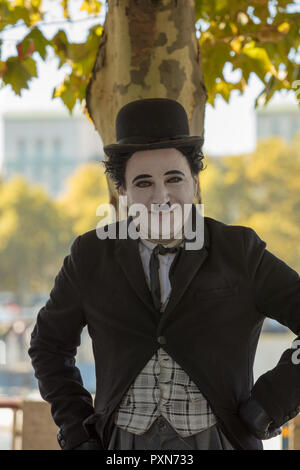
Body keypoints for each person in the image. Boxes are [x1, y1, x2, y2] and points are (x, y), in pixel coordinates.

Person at [28, 98, 300, 451]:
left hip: (221, 440)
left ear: (195, 182)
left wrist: (271, 402)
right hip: (120, 445)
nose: (161, 196)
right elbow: (48, 346)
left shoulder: (240, 250)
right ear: (122, 191)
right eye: (143, 183)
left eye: (174, 178)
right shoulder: (89, 255)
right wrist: (76, 427)